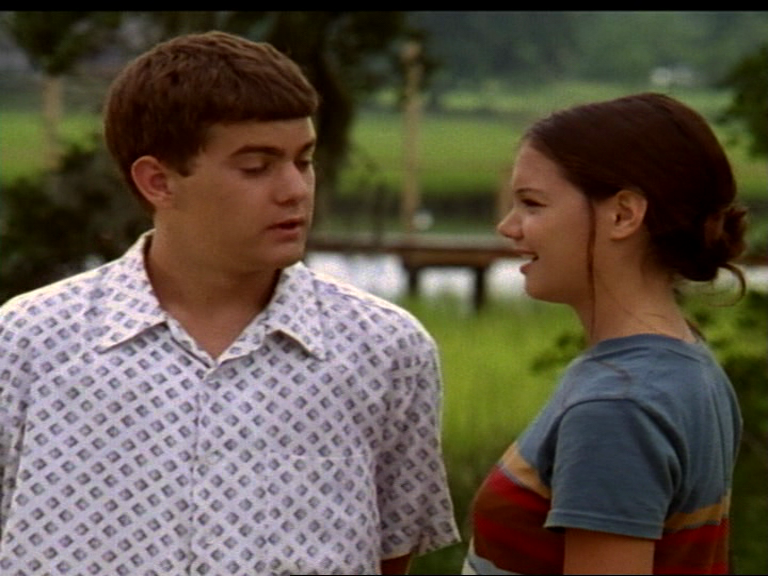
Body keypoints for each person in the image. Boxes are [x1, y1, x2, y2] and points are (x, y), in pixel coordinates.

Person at [0, 31, 459, 575]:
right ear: (158, 182)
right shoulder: (28, 343)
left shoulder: (384, 350)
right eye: (256, 167)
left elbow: (391, 554)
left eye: (304, 161)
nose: (295, 190)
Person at [462, 93, 747, 575]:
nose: (508, 227)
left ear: (623, 214)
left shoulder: (619, 406)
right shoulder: (683, 364)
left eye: (532, 204)